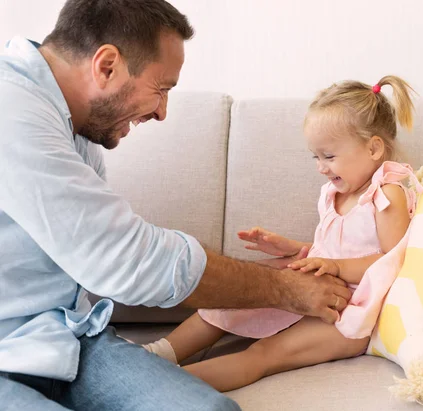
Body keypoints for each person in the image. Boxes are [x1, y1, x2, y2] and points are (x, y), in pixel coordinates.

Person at [0, 1, 351, 410]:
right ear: (107, 65)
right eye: (161, 88)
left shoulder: (73, 126)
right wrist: (285, 289)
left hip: (66, 337)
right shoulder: (13, 110)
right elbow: (124, 257)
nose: (163, 112)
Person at [144, 75, 421, 392]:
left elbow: (393, 260)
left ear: (373, 148)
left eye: (329, 156)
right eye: (316, 157)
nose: (321, 167)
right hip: (318, 285)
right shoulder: (335, 194)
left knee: (262, 355)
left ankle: (162, 389)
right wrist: (290, 247)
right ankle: (158, 354)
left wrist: (337, 268)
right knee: (226, 305)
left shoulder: (387, 194)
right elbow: (331, 251)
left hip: (351, 310)